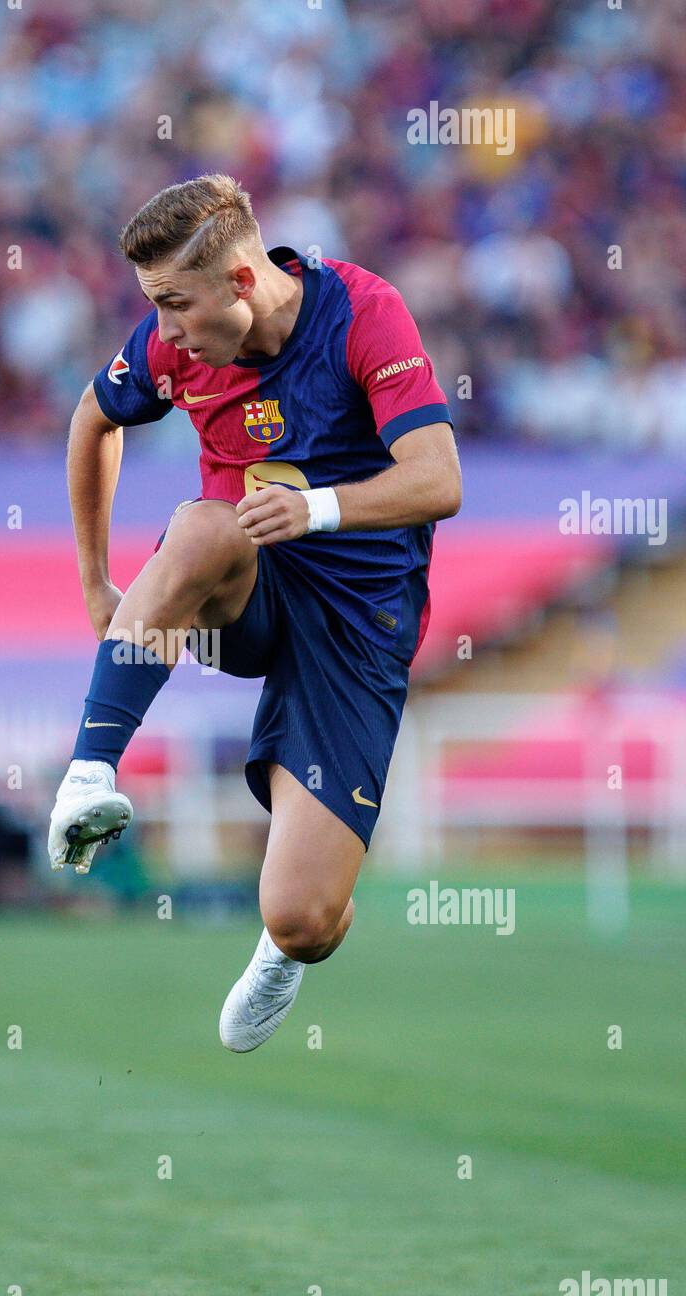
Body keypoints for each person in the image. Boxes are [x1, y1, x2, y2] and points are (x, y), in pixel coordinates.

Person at [47, 173, 461, 1052]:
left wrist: (317, 509)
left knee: (307, 917)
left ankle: (281, 950)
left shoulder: (361, 311)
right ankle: (88, 775)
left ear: (240, 284)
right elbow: (94, 419)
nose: (165, 334)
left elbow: (439, 479)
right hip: (251, 592)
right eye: (154, 308)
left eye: (175, 307)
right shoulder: (178, 348)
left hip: (359, 628)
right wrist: (94, 583)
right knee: (204, 527)